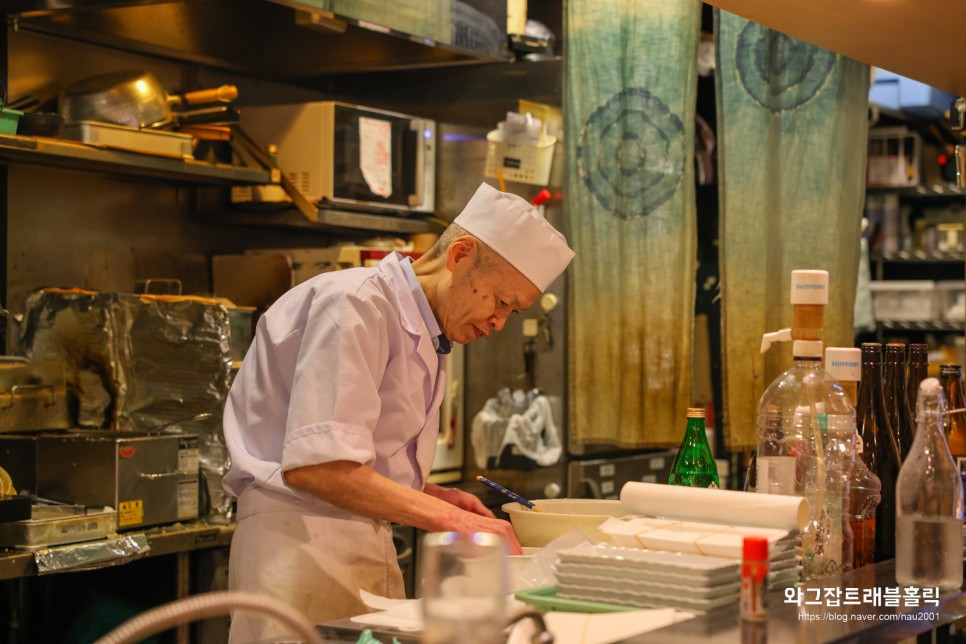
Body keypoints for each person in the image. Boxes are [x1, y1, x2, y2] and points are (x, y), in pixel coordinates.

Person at [221, 182, 575, 641]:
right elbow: (320, 468)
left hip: (359, 547)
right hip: (298, 554)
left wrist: (429, 494)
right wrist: (454, 522)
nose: (498, 323)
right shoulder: (354, 303)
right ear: (460, 254)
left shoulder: (425, 329)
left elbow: (351, 454)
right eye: (501, 301)